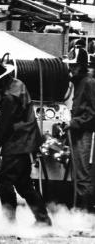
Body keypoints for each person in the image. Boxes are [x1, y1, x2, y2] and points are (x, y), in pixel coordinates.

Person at [0, 58, 52, 226]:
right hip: (26, 142)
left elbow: (5, 126)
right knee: (24, 184)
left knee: (4, 184)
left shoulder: (9, 97)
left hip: (18, 144)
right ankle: (43, 220)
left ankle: (8, 222)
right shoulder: (18, 84)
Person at [64, 46, 95, 211]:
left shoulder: (89, 83)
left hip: (85, 133)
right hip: (78, 132)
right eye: (70, 65)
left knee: (82, 176)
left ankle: (85, 215)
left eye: (74, 66)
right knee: (78, 174)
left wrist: (75, 122)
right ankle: (80, 212)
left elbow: (93, 113)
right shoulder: (78, 82)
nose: (71, 68)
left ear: (82, 66)